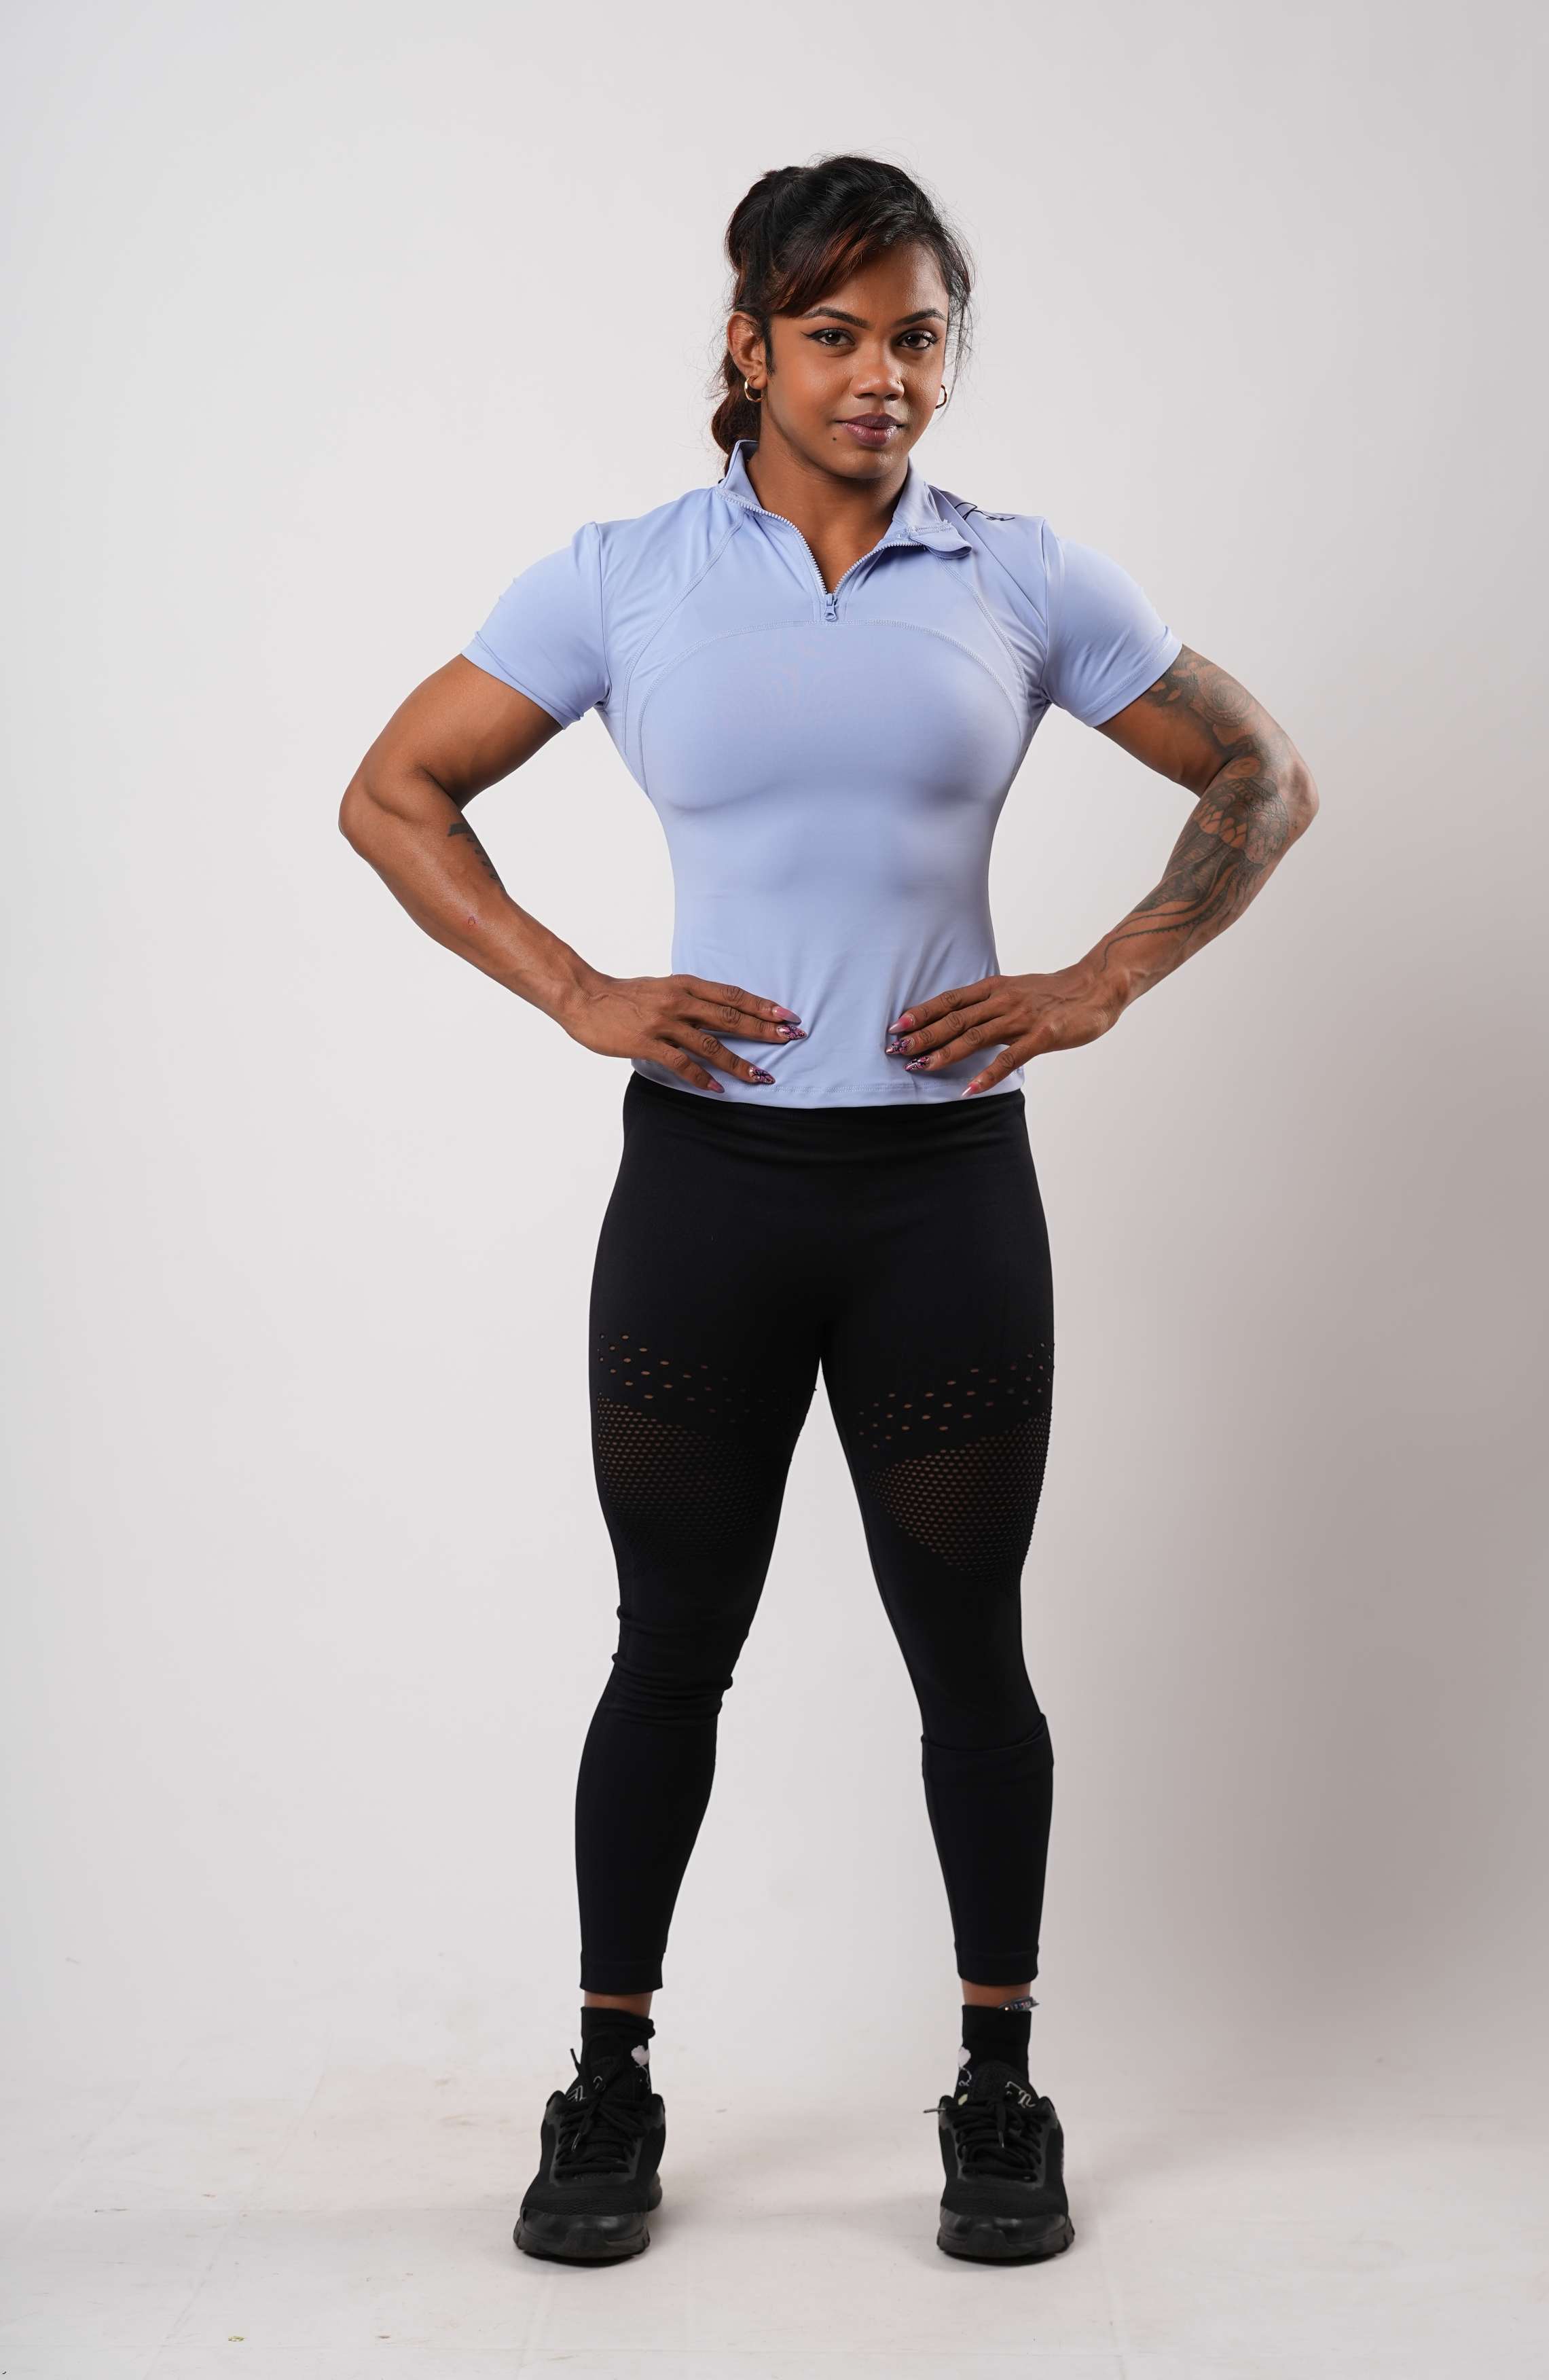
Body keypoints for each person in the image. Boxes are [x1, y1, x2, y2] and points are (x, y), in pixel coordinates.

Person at [339, 151, 1319, 2269]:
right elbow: (395, 792)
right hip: (709, 1187)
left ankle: (998, 2082)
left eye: (921, 337)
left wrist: (1103, 976)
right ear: (750, 345)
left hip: (941, 1195)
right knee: (669, 1650)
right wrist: (578, 987)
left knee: (969, 1651)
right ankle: (608, 2078)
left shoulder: (1020, 575)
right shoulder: (626, 576)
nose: (885, 375)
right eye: (839, 333)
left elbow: (1262, 775)